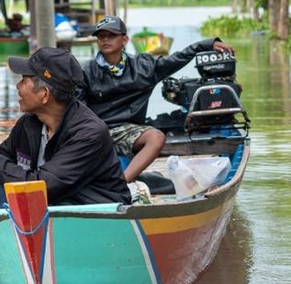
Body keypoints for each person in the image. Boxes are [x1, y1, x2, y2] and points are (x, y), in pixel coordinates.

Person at [0, 47, 131, 213]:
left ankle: (21, 232)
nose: (18, 87)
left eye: (24, 80)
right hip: (45, 205)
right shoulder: (28, 124)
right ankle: (18, 234)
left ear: (44, 94)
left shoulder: (89, 132)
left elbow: (40, 187)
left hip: (88, 209)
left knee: (37, 195)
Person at [80, 15, 235, 182]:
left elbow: (177, 58)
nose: (105, 40)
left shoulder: (144, 66)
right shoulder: (86, 70)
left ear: (124, 40)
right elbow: (78, 110)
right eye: (101, 36)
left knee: (156, 137)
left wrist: (206, 45)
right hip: (97, 131)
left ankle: (122, 183)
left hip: (129, 131)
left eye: (111, 35)